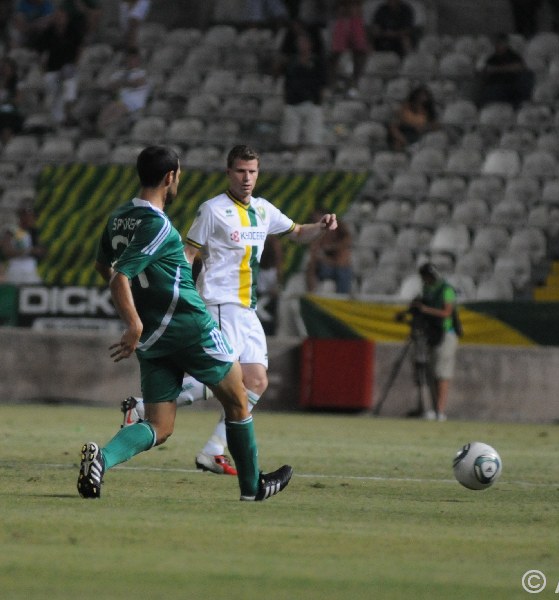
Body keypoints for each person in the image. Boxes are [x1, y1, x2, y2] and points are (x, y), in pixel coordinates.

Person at [78, 145, 294, 501]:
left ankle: (103, 458)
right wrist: (132, 324)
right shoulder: (159, 225)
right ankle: (252, 488)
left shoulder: (118, 217)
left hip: (154, 337)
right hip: (190, 325)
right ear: (170, 178)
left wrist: (140, 318)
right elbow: (119, 278)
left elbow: (106, 267)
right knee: (240, 398)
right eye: (178, 175)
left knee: (160, 426)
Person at [121, 144, 338, 476]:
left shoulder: (264, 210)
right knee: (227, 378)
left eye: (252, 171)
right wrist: (180, 294)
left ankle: (211, 450)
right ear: (228, 173)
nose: (247, 177)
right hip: (220, 303)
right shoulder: (212, 210)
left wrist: (320, 227)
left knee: (256, 382)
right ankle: (142, 408)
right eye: (240, 171)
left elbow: (297, 233)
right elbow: (188, 255)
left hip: (248, 309)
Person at [411, 262, 460, 422]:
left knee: (442, 373)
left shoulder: (446, 290)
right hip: (432, 335)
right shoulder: (428, 290)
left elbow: (447, 312)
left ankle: (440, 410)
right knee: (432, 373)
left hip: (446, 334)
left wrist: (425, 309)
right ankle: (434, 409)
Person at [280, 29, 327, 148]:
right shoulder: (291, 62)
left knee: (313, 139)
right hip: (293, 103)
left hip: (312, 103)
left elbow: (323, 82)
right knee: (290, 140)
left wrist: (318, 102)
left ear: (310, 44)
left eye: (305, 42)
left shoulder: (318, 62)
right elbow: (287, 82)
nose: (302, 45)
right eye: (300, 42)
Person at [477, 32, 534, 109]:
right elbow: (487, 69)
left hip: (511, 85)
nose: (499, 45)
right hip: (495, 86)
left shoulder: (514, 56)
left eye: (501, 43)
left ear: (506, 43)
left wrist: (498, 69)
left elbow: (518, 67)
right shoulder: (492, 58)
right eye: (497, 43)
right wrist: (504, 69)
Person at [305, 205, 353, 294]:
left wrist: (332, 248)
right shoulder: (315, 235)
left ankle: (342, 298)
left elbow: (342, 259)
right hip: (325, 267)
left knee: (343, 272)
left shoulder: (339, 230)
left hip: (338, 265)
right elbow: (314, 260)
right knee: (311, 268)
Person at [328, 0, 368, 91]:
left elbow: (360, 45)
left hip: (356, 55)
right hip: (340, 54)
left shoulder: (357, 22)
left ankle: (355, 84)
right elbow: (336, 47)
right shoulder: (339, 23)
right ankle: (338, 85)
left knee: (356, 60)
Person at [0, 203, 45, 284]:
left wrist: (40, 252)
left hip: (31, 272)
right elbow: (6, 251)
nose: (32, 219)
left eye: (33, 217)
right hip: (16, 272)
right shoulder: (11, 230)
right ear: (22, 217)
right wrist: (29, 251)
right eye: (30, 216)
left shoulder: (33, 232)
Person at [387, 84, 438, 151]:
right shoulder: (406, 107)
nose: (422, 98)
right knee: (394, 129)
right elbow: (399, 120)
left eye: (424, 95)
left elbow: (434, 125)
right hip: (405, 129)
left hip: (418, 134)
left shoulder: (429, 111)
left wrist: (425, 128)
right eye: (420, 95)